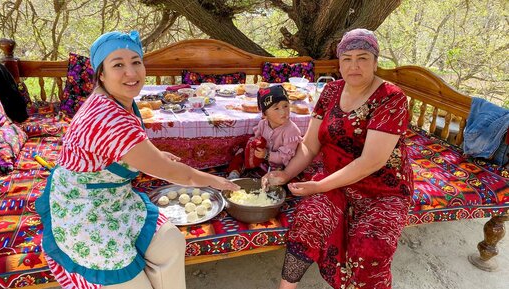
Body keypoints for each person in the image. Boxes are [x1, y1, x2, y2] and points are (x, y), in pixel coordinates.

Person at [35, 30, 239, 289]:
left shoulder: (118, 100)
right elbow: (181, 175)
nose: (131, 73)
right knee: (133, 284)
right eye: (118, 64)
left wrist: (155, 156)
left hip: (116, 200)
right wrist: (219, 183)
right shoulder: (108, 118)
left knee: (171, 244)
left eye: (136, 62)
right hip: (85, 212)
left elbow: (124, 151)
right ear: (101, 73)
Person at [263, 28, 414, 289]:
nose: (354, 65)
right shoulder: (331, 92)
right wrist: (285, 174)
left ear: (376, 62)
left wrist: (319, 186)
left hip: (382, 189)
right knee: (310, 219)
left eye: (363, 58)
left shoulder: (391, 98)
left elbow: (371, 161)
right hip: (334, 177)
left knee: (370, 247)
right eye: (347, 58)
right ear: (339, 63)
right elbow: (310, 145)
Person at [227, 85, 302, 179]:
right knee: (242, 149)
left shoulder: (291, 131)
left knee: (280, 177)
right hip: (262, 160)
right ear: (264, 114)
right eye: (276, 108)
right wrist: (254, 146)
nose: (283, 111)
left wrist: (266, 154)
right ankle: (234, 172)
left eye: (286, 106)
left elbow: (285, 157)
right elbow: (257, 139)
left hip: (279, 165)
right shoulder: (263, 124)